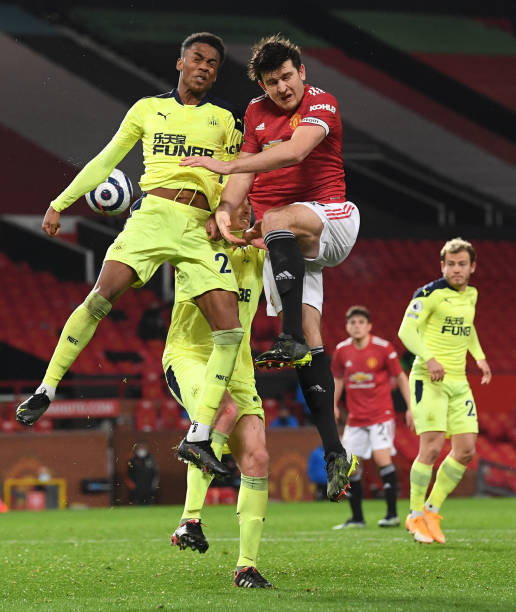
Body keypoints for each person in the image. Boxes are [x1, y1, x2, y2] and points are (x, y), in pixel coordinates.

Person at [16, 32, 246, 478]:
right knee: (101, 298)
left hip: (200, 228)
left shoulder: (225, 120)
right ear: (180, 63)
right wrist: (61, 202)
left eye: (213, 64)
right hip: (153, 215)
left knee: (230, 332)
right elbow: (106, 160)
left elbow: (238, 176)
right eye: (197, 59)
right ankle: (46, 388)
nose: (204, 67)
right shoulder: (147, 109)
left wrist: (230, 213)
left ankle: (198, 436)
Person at [180, 34, 359, 501]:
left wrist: (222, 164)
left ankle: (290, 333)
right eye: (271, 81)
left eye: (286, 77)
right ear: (261, 84)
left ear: (302, 73)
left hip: (328, 221)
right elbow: (245, 175)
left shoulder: (322, 101)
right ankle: (337, 451)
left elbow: (297, 151)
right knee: (310, 348)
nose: (281, 88)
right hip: (284, 246)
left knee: (275, 220)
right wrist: (224, 209)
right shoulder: (256, 113)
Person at [163, 198, 272, 588]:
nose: (244, 211)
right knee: (222, 409)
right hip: (190, 356)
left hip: (240, 366)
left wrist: (274, 241)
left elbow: (306, 251)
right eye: (235, 204)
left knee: (257, 458)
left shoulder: (260, 256)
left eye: (249, 206)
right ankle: (190, 519)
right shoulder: (196, 244)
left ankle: (247, 567)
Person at [398, 238, 491, 544]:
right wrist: (429, 358)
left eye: (462, 264)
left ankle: (431, 510)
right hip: (429, 377)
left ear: (472, 267)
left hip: (458, 380)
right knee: (433, 447)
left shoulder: (472, 295)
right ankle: (413, 516)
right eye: (450, 264)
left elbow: (469, 326)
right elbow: (406, 331)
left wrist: (479, 356)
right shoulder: (429, 294)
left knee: (465, 450)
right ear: (442, 266)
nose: (456, 269)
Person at [331, 305, 412, 529]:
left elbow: (401, 377)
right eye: (352, 323)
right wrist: (333, 405)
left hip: (381, 415)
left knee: (381, 458)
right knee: (351, 467)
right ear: (347, 326)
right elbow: (338, 380)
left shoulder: (383, 348)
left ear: (369, 326)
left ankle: (392, 514)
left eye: (360, 322)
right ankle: (357, 518)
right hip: (356, 418)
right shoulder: (341, 351)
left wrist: (409, 406)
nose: (356, 326)